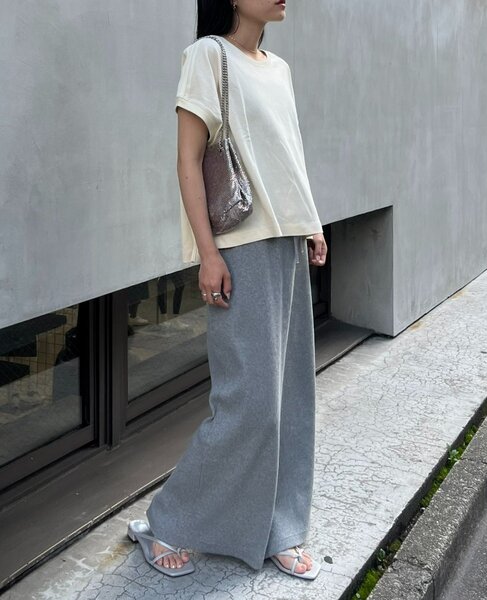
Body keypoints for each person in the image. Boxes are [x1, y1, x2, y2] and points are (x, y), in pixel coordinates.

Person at [128, 0, 328, 580]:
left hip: (288, 241)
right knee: (249, 404)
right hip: (240, 247)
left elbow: (288, 154)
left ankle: (280, 528)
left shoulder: (279, 68)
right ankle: (166, 522)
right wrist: (208, 253)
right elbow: (189, 162)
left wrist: (312, 222)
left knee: (292, 400)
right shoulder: (207, 56)